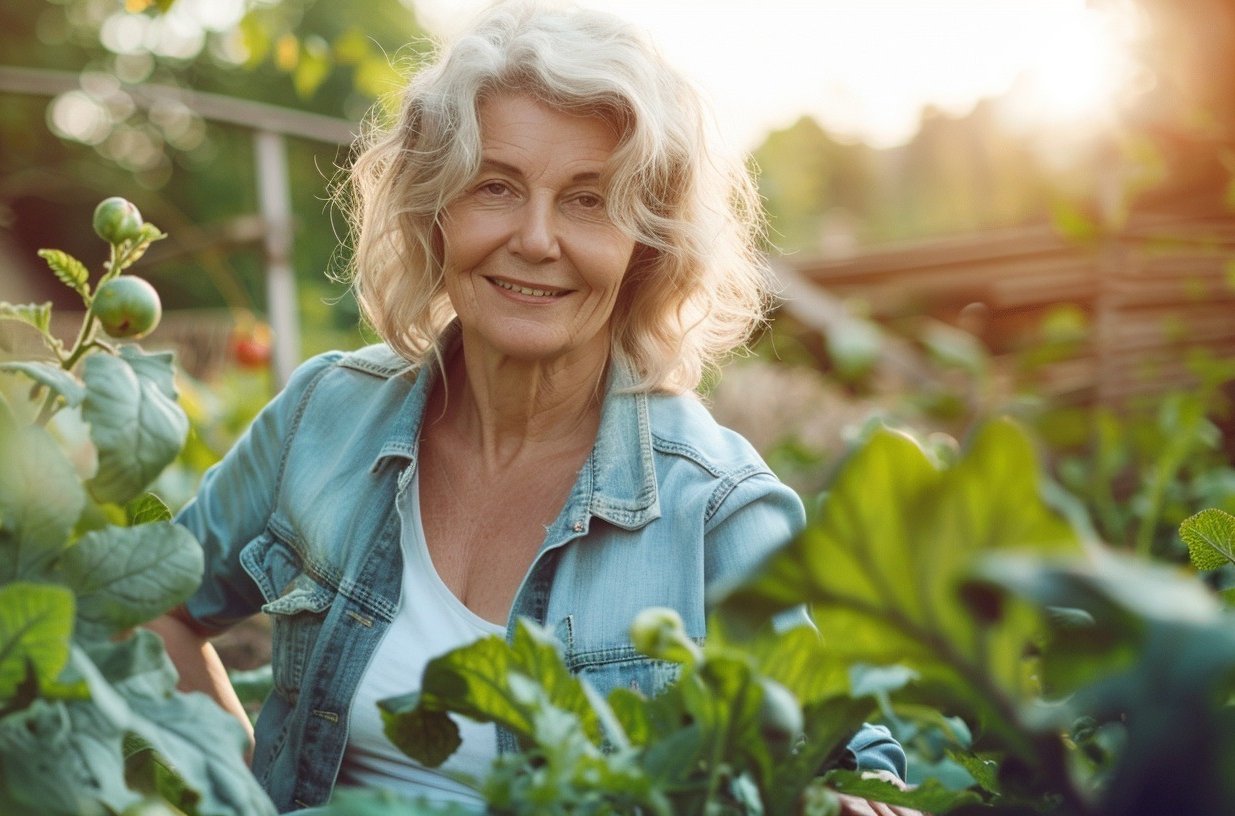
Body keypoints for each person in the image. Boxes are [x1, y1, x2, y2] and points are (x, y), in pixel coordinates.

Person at [147, 3, 917, 814]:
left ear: (645, 245)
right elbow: (155, 606)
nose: (537, 239)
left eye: (588, 200)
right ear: (434, 210)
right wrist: (234, 791)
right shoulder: (325, 415)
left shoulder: (713, 510)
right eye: (495, 186)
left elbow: (846, 764)